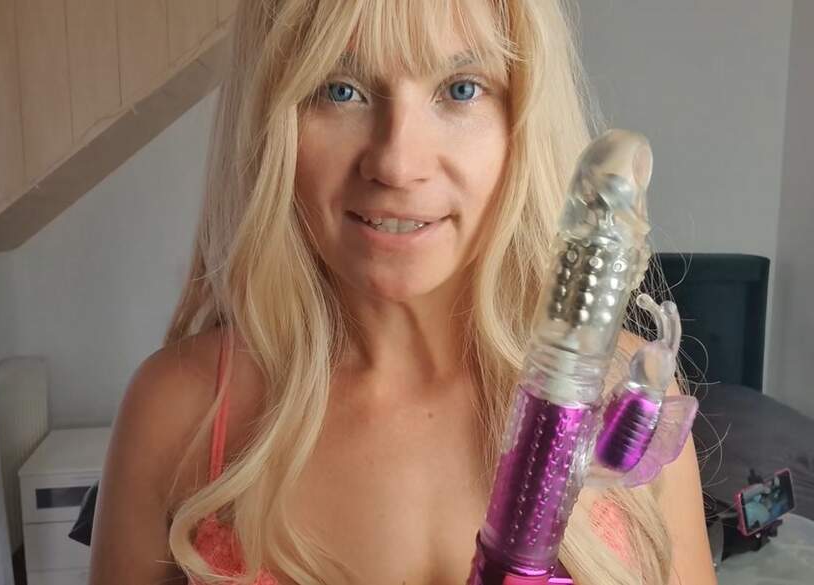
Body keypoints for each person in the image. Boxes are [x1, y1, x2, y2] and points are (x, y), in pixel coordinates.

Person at [88, 1, 717, 584]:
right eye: (341, 90)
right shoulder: (178, 414)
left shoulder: (627, 407)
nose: (396, 163)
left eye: (461, 89)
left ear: (521, 122)